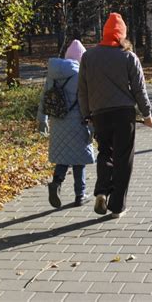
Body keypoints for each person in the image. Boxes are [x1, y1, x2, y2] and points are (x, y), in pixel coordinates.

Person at [78, 12, 152, 218]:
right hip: (123, 114)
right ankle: (117, 206)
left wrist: (87, 114)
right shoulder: (129, 56)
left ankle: (101, 191)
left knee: (105, 153)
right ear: (122, 34)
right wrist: (146, 114)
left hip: (99, 114)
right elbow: (139, 89)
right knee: (123, 158)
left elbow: (82, 90)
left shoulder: (88, 56)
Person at [38, 40, 95, 208]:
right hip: (78, 122)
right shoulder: (81, 76)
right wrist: (92, 126)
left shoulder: (52, 75)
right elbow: (86, 102)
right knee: (79, 159)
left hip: (58, 121)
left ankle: (56, 182)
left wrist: (42, 119)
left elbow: (44, 98)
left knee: (63, 156)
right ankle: (80, 194)